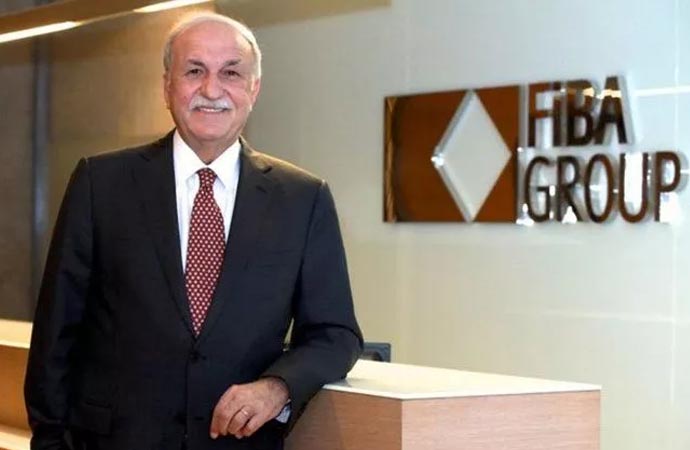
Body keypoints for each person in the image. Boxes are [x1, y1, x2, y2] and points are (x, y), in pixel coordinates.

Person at [24, 12, 362, 450]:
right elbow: (56, 334)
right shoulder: (100, 183)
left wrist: (277, 387)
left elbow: (335, 335)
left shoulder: (303, 198)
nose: (212, 90)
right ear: (167, 86)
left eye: (231, 73)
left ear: (254, 89)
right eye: (194, 70)